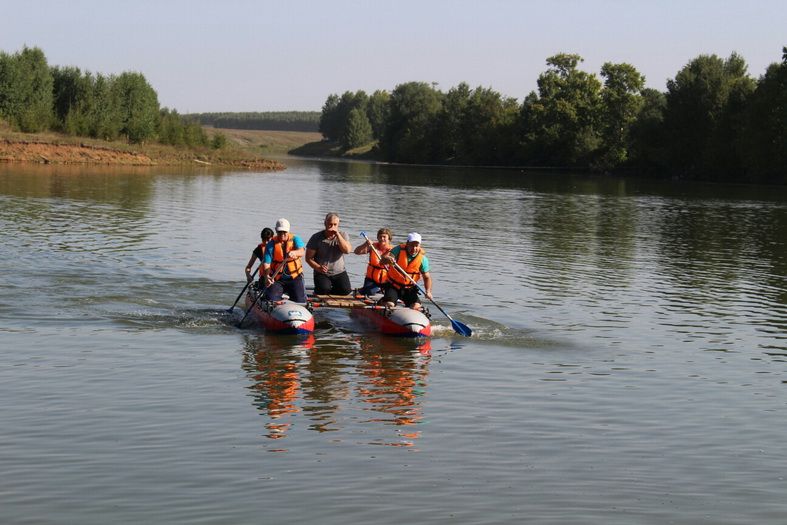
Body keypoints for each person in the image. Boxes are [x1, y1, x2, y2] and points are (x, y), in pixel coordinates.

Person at [380, 232, 433, 311]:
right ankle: (382, 302)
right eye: (412, 245)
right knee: (390, 304)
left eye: (416, 246)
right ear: (407, 243)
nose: (414, 248)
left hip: (409, 288)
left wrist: (428, 291)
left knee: (416, 306)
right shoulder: (398, 250)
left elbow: (427, 277)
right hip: (393, 286)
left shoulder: (423, 259)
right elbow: (382, 262)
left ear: (420, 246)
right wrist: (387, 259)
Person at [305, 212, 353, 295]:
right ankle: (320, 290)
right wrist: (318, 267)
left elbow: (347, 250)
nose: (332, 227)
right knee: (324, 289)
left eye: (335, 225)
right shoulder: (316, 237)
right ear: (325, 223)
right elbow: (308, 258)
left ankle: (333, 291)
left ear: (338, 225)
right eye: (330, 224)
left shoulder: (343, 235)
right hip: (321, 273)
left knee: (346, 291)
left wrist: (337, 235)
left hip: (339, 272)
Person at [261, 218, 307, 303]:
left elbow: (302, 251)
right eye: (279, 232)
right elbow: (267, 263)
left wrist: (295, 253)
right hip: (277, 279)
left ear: (288, 231)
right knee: (271, 299)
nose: (282, 235)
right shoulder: (271, 244)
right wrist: (267, 276)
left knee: (301, 301)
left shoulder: (295, 239)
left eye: (284, 232)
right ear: (276, 230)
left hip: (295, 277)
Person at [353, 228, 393, 296]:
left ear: (389, 238)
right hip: (371, 279)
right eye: (380, 237)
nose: (382, 239)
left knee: (391, 292)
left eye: (384, 237)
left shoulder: (393, 251)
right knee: (370, 292)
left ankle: (378, 290)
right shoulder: (372, 247)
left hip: (385, 280)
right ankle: (364, 290)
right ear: (377, 238)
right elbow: (356, 252)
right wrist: (365, 244)